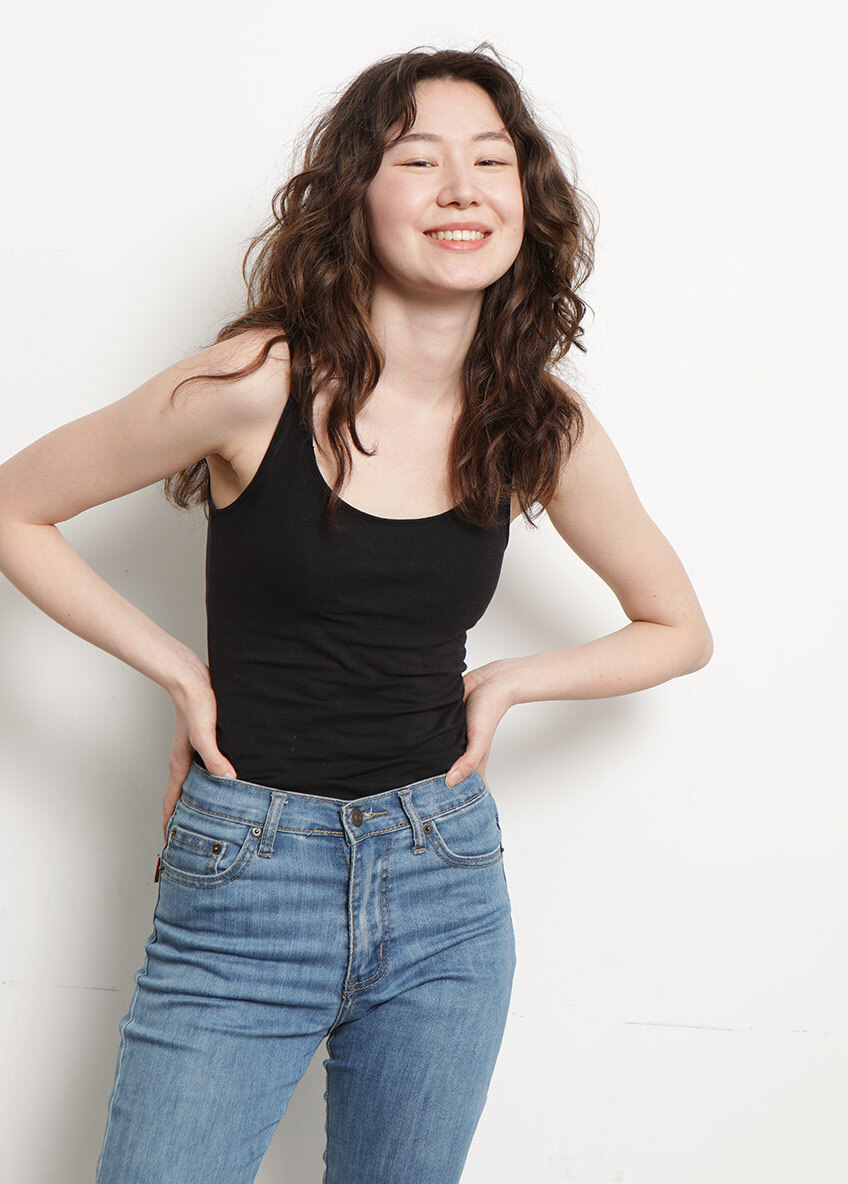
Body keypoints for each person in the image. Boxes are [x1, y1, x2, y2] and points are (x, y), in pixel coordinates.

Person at [0, 44, 713, 1184]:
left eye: (491, 160)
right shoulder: (253, 381)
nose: (460, 187)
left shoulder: (536, 423)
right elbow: (15, 508)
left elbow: (676, 628)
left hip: (445, 883)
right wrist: (178, 671)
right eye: (417, 159)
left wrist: (513, 680)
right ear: (356, 197)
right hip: (245, 874)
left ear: (525, 200)